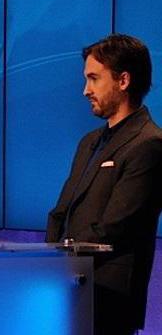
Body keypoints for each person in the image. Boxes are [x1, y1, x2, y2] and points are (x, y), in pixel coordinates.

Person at [46, 34, 162, 335]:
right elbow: (61, 212)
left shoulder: (149, 144)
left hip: (109, 297)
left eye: (94, 79)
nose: (86, 90)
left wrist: (62, 259)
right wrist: (46, 264)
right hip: (68, 288)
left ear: (123, 81)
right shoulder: (90, 142)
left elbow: (115, 227)